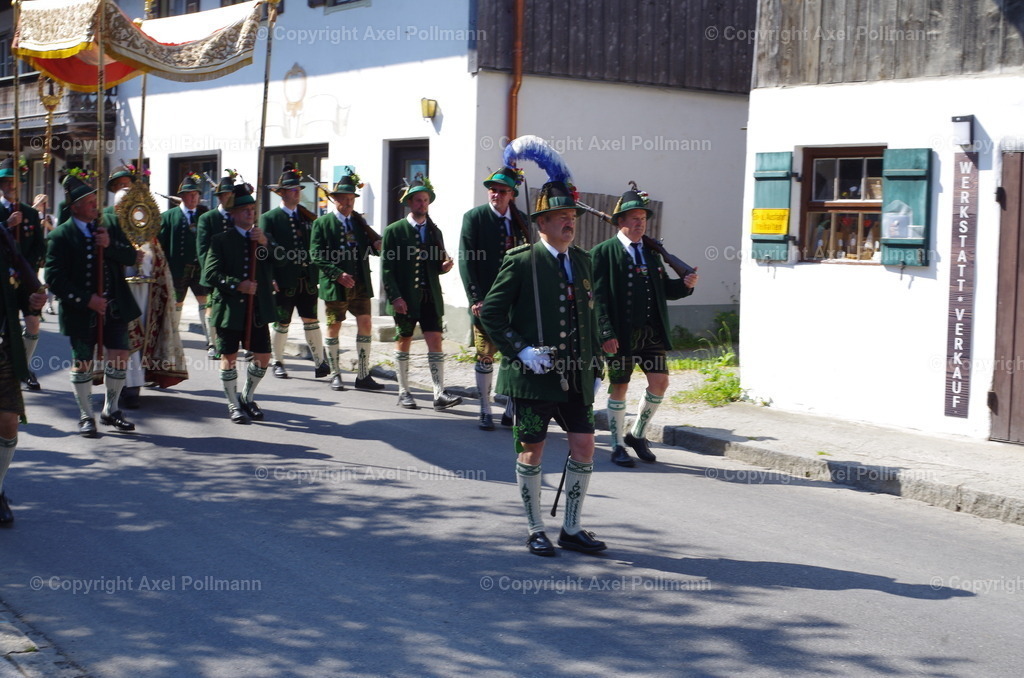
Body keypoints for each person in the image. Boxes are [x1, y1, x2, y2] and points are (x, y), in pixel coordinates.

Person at [480, 180, 606, 557]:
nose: (570, 222)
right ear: (543, 224)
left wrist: (596, 365)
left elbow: (590, 316)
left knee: (584, 446)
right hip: (534, 379)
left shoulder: (583, 261)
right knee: (531, 450)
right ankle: (535, 528)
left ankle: (571, 527)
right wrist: (521, 350)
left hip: (577, 377)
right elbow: (492, 314)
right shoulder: (522, 261)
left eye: (572, 217)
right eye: (561, 217)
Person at [591, 184, 699, 467]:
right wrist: (605, 333)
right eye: (634, 219)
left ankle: (637, 434)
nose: (640, 224)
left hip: (651, 333)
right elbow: (597, 298)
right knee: (620, 386)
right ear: (621, 222)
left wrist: (685, 286)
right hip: (620, 334)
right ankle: (616, 445)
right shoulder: (603, 253)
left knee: (660, 382)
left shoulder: (651, 254)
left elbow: (664, 290)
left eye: (643, 219)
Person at [44, 171, 142, 436]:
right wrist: (87, 300)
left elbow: (132, 255)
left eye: (94, 199)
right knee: (83, 362)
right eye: (88, 201)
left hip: (115, 305)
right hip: (81, 310)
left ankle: (111, 409)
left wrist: (108, 245)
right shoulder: (61, 236)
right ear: (75, 207)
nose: (94, 204)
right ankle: (87, 415)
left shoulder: (109, 223)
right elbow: (54, 278)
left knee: (120, 355)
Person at [380, 176, 461, 411]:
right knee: (403, 339)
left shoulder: (435, 230)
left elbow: (438, 263)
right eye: (418, 200)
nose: (422, 204)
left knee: (435, 340)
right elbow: (387, 268)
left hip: (430, 296)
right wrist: (395, 297)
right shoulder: (394, 231)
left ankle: (439, 393)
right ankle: (403, 391)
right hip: (405, 297)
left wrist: (443, 267)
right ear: (409, 203)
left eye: (425, 200)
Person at [459, 166, 529, 430]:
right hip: (486, 302)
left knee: (516, 355)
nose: (496, 194)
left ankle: (511, 407)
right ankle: (485, 408)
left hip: (516, 302)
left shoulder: (522, 220)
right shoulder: (475, 218)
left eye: (502, 191)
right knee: (485, 353)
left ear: (512, 194)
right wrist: (476, 298)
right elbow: (466, 260)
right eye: (492, 189)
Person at [204, 183, 277, 424]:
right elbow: (211, 274)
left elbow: (283, 262)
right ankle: (232, 404)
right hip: (229, 309)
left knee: (264, 355)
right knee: (229, 356)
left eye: (252, 209)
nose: (249, 213)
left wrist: (266, 243)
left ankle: (247, 396)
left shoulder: (262, 239)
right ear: (233, 213)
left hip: (256, 309)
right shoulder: (221, 240)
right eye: (244, 209)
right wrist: (238, 284)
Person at [309, 169, 384, 392]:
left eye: (352, 199)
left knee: (366, 323)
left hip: (360, 283)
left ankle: (363, 375)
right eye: (345, 198)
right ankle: (335, 374)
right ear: (335, 200)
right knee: (334, 326)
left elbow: (370, 249)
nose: (349, 202)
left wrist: (378, 246)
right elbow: (315, 254)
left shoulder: (359, 225)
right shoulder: (322, 224)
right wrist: (337, 274)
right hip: (335, 285)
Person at [260, 166, 328, 380]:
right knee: (282, 322)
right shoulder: (269, 218)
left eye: (299, 188)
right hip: (283, 279)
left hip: (306, 279)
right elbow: (263, 252)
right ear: (282, 193)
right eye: (292, 189)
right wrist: (269, 278)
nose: (297, 192)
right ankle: (277, 361)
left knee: (311, 320)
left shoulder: (307, 217)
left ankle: (320, 362)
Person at [0, 223, 48, 525]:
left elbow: (17, 290)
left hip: (2, 349)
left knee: (8, 422)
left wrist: (30, 301)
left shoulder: (4, 244)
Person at [0, 157, 46, 391]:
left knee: (33, 323)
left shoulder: (29, 213)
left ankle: (25, 367)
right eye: (6, 181)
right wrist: (6, 224)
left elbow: (40, 246)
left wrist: (29, 268)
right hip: (2, 280)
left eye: (13, 181)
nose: (10, 185)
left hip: (25, 280)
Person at [158, 173, 212, 347]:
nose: (194, 198)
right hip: (177, 269)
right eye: (190, 194)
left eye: (196, 194)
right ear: (181, 196)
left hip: (199, 268)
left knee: (205, 301)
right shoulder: (168, 217)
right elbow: (160, 245)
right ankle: (173, 339)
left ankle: (212, 342)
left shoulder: (204, 216)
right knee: (176, 303)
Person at [196, 171, 239, 359]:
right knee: (211, 306)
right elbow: (203, 249)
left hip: (236, 272)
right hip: (215, 272)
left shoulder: (238, 217)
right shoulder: (208, 218)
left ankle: (235, 343)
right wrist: (212, 271)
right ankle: (213, 343)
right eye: (227, 195)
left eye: (232, 194)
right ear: (220, 197)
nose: (230, 198)